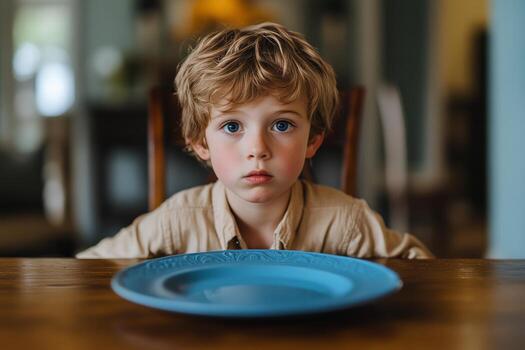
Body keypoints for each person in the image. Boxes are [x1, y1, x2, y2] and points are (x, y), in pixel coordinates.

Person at [76, 22, 433, 259]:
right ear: (200, 142)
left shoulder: (345, 221)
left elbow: (423, 272)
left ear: (313, 141)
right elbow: (88, 268)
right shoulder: (176, 221)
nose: (257, 149)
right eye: (232, 127)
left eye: (281, 126)